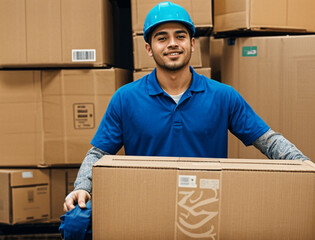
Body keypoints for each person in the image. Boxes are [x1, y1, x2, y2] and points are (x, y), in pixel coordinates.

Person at [60, 1, 311, 238]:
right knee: (76, 222)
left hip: (205, 205)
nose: (172, 44)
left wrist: (305, 166)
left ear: (192, 44)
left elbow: (269, 141)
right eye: (162, 38)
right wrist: (82, 187)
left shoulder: (223, 96)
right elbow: (97, 153)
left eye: (180, 36)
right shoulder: (125, 99)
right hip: (145, 204)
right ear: (149, 48)